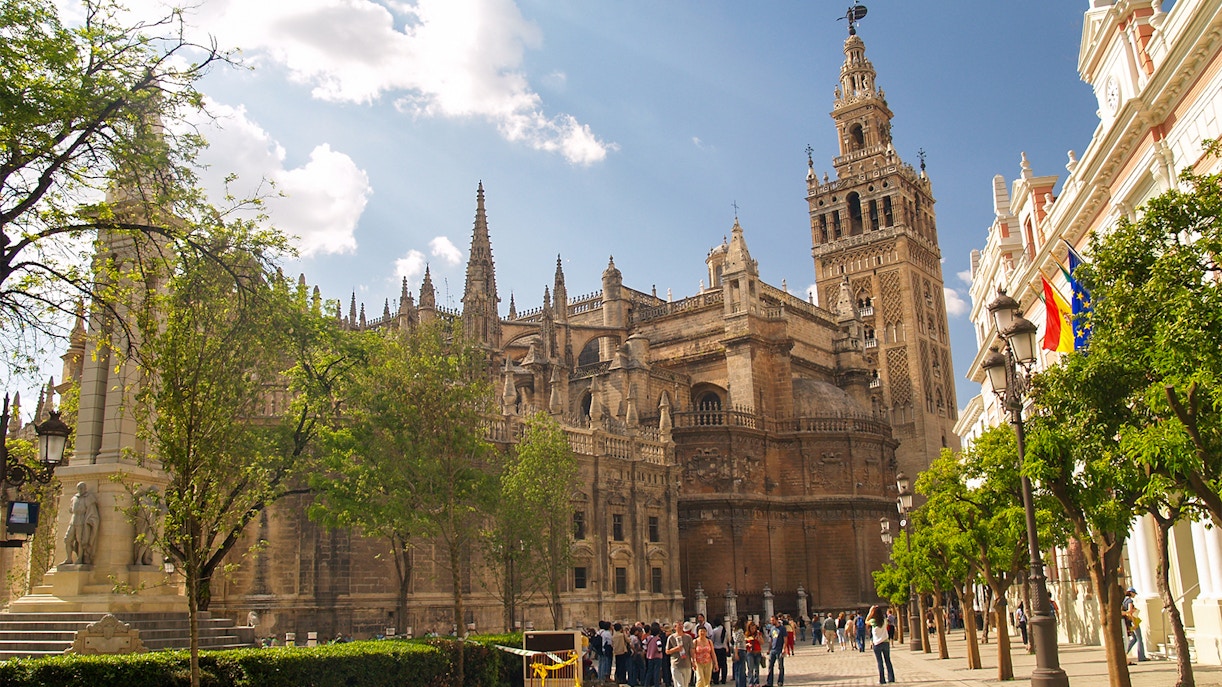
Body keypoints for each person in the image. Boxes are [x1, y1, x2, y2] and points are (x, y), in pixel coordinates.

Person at [62, 481, 100, 566]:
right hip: (73, 521)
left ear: (85, 488)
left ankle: (80, 558)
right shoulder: (74, 498)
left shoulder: (89, 498)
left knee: (80, 540)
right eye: (79, 488)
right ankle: (68, 558)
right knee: (67, 539)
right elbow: (71, 509)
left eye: (82, 488)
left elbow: (92, 512)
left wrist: (90, 521)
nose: (80, 489)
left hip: (82, 520)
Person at [866, 605, 895, 684]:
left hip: (877, 643)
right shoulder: (884, 620)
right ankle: (891, 678)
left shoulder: (873, 621)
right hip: (885, 642)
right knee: (888, 660)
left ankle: (882, 679)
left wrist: (870, 612)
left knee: (880, 662)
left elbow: (866, 621)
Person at [1123, 587, 1148, 663]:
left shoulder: (1124, 601)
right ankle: (1141, 656)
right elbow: (1130, 611)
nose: (1135, 595)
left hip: (1128, 622)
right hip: (1133, 621)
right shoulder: (1130, 600)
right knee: (1139, 638)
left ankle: (1125, 652)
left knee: (1134, 639)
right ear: (1131, 592)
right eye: (1134, 593)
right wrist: (1134, 622)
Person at [667, 622, 695, 687]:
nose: (681, 626)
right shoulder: (671, 637)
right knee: (680, 685)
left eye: (681, 625)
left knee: (685, 685)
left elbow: (691, 649)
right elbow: (667, 651)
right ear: (675, 627)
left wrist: (693, 660)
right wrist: (676, 649)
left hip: (687, 664)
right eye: (679, 625)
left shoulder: (688, 637)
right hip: (676, 664)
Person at [765, 615, 785, 687]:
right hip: (773, 650)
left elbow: (785, 640)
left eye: (773, 620)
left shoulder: (782, 629)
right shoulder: (772, 628)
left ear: (776, 620)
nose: (771, 622)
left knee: (780, 667)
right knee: (770, 666)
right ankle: (769, 682)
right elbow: (771, 640)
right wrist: (769, 649)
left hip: (779, 649)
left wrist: (784, 649)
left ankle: (780, 681)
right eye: (771, 620)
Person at [744, 620, 762, 687]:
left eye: (754, 628)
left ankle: (757, 681)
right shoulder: (746, 635)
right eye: (751, 628)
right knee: (750, 668)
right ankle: (750, 682)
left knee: (757, 668)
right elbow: (744, 644)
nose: (753, 630)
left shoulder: (758, 634)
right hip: (750, 653)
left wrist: (758, 638)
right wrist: (747, 644)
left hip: (757, 652)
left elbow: (762, 643)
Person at [711, 617, 728, 684]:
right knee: (724, 665)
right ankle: (724, 679)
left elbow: (712, 640)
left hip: (716, 649)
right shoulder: (724, 630)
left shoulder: (714, 631)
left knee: (716, 664)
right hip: (723, 649)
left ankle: (716, 679)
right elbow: (727, 640)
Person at [731, 619, 747, 687]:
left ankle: (738, 684)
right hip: (741, 650)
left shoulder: (735, 631)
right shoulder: (740, 631)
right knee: (741, 670)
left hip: (737, 650)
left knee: (737, 669)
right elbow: (737, 642)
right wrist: (736, 653)